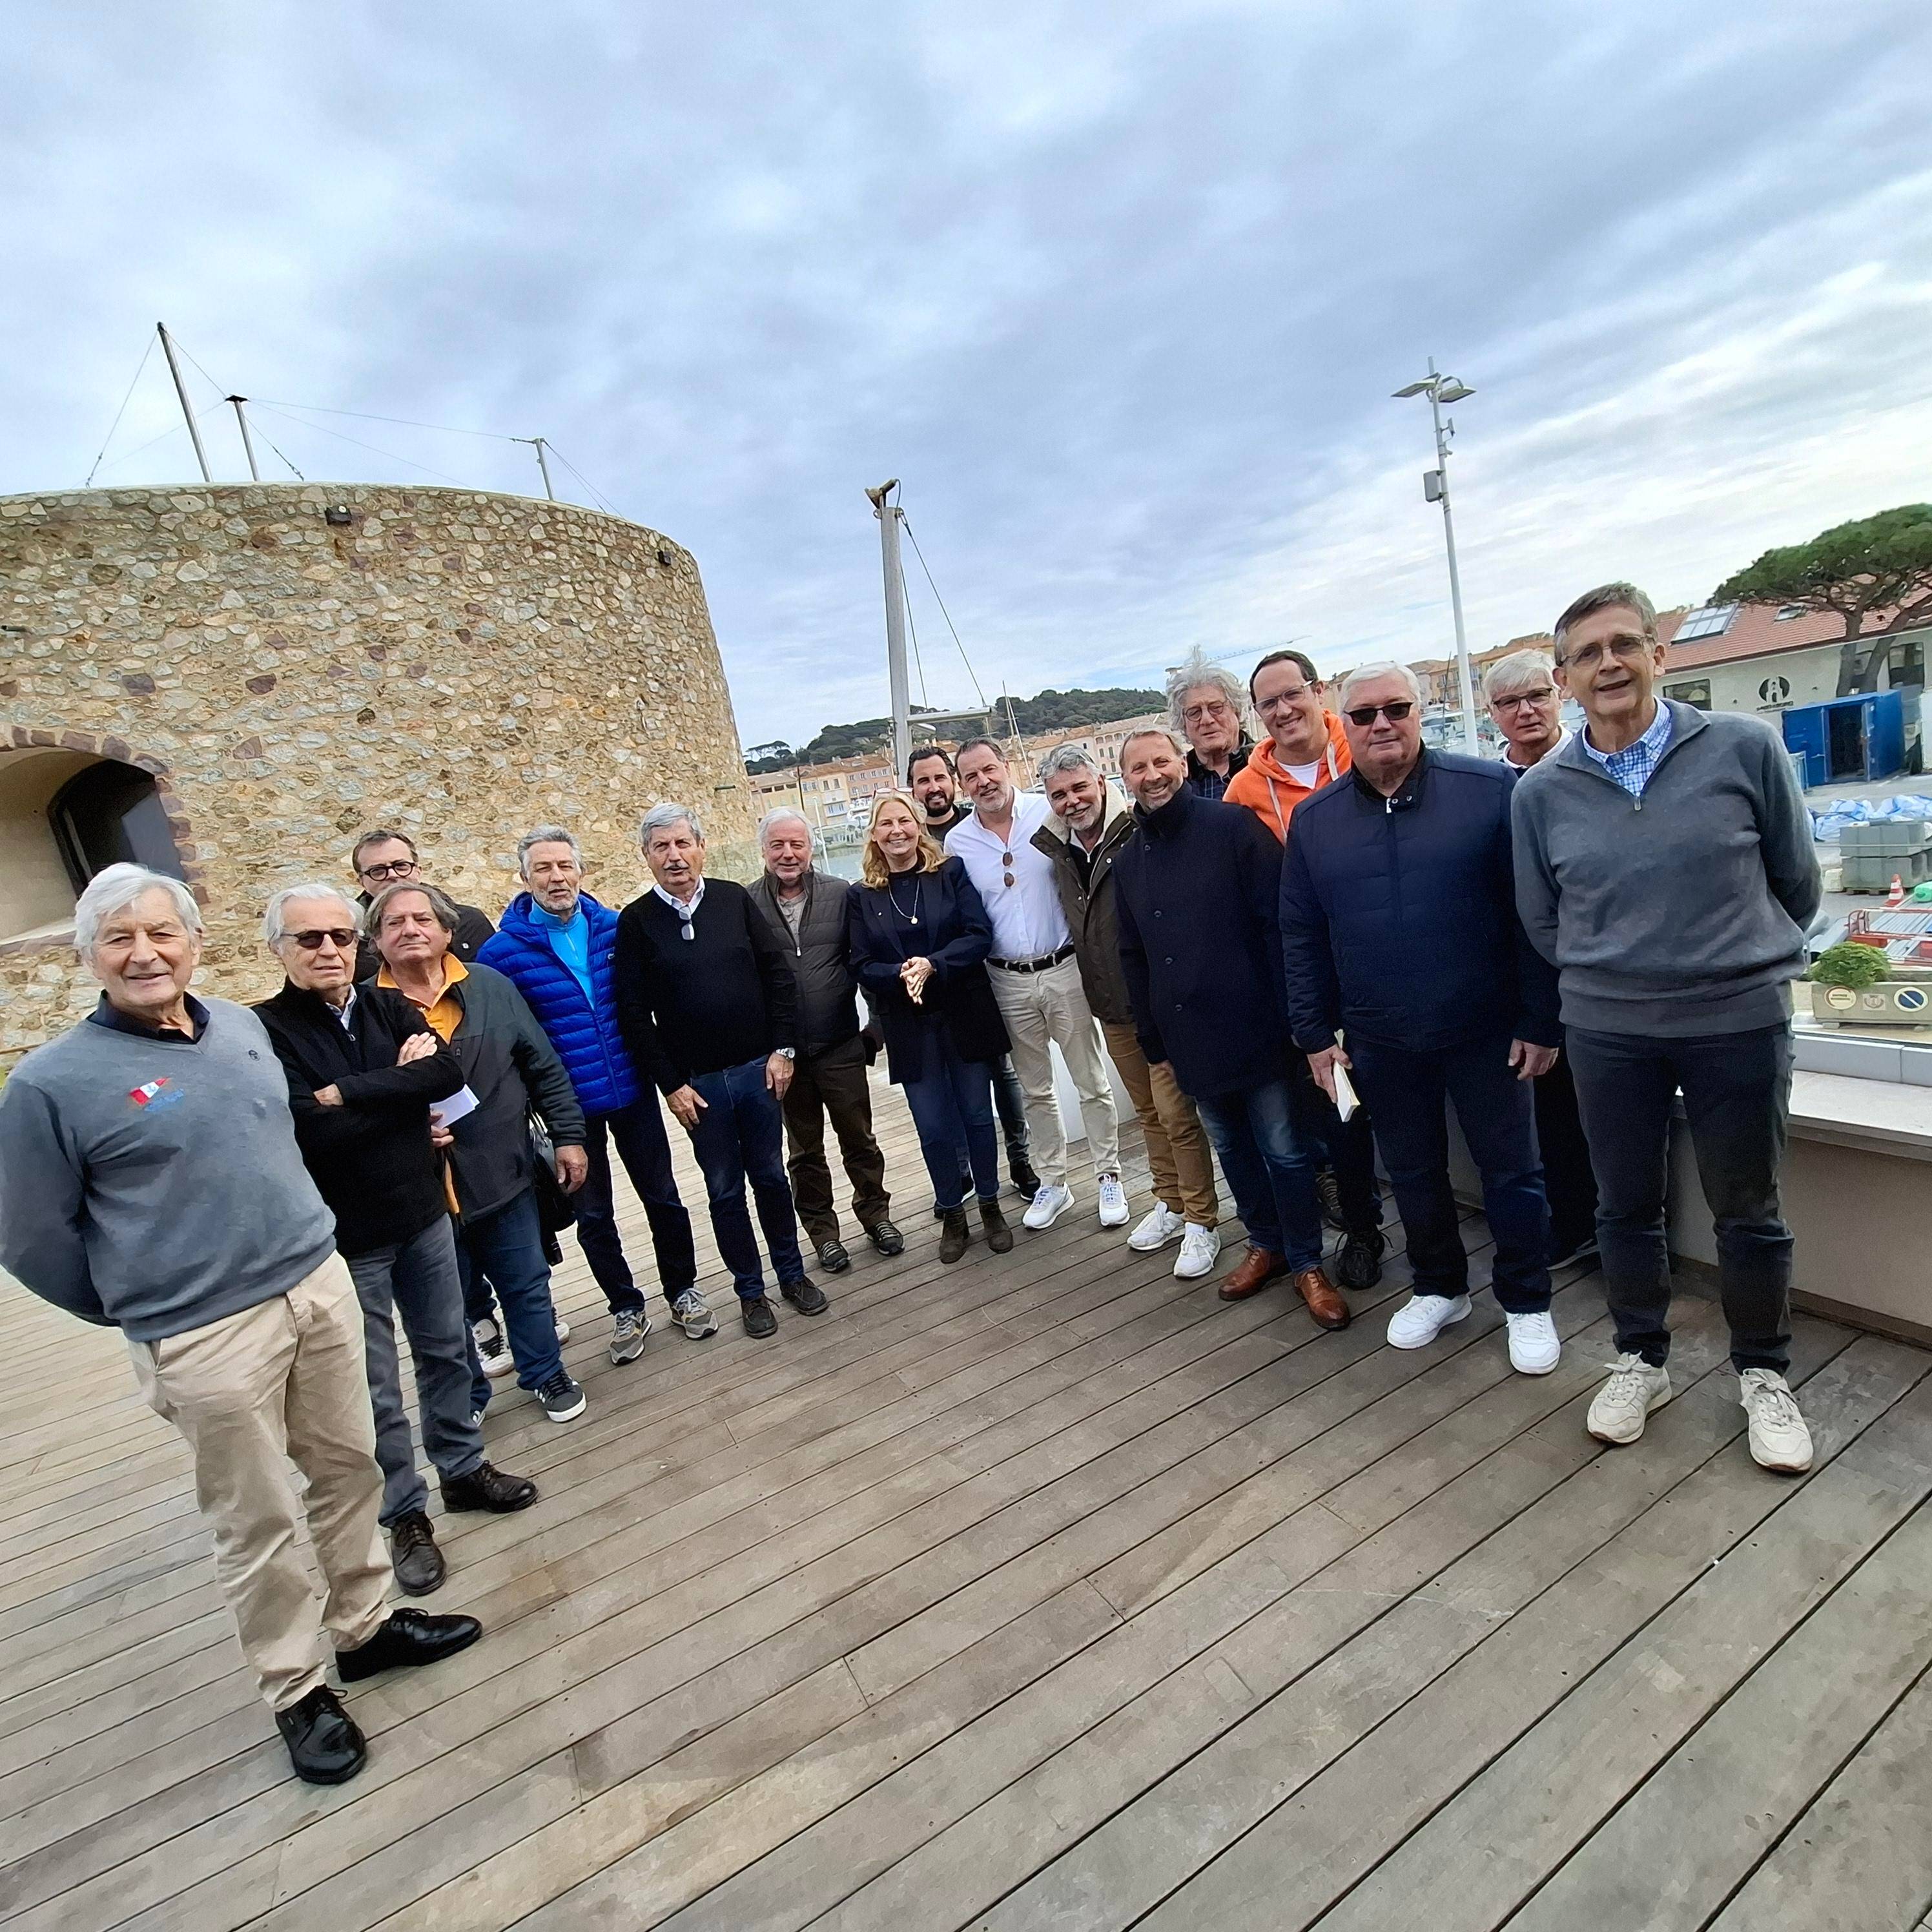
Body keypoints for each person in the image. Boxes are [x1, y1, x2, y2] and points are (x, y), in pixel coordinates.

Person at [0, 865, 480, 1786]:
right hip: (204, 1334)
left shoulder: (243, 1032)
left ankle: (368, 1627)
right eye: (120, 938)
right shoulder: (53, 1085)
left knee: (347, 1469)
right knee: (254, 1518)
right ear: (88, 954)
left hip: (316, 1283)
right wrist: (142, 1303)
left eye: (162, 933)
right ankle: (298, 1689)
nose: (144, 953)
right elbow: (30, 1240)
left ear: (193, 943)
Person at [1514, 582, 1824, 1472]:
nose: (1608, 664)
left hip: (1738, 1021)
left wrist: (1733, 963)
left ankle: (1764, 1373)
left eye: (1625, 644)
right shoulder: (1541, 792)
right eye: (1588, 654)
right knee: (1624, 1206)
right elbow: (1543, 921)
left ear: (1660, 654)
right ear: (1567, 679)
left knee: (1750, 1210)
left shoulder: (1745, 748)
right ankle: (1640, 1358)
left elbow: (1796, 882)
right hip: (1610, 1030)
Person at [1280, 662, 1562, 1376]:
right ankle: (1440, 1287)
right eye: (1364, 714)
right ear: (1341, 725)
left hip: (1487, 1029)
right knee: (1410, 1172)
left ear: (1419, 711)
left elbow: (1534, 916)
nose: (1381, 724)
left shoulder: (1491, 792)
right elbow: (1302, 934)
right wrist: (1314, 1035)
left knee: (1513, 1173)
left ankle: (1527, 1302)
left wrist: (1540, 1018)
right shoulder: (1315, 822)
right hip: (1380, 1035)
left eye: (1395, 709)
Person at [256, 883, 539, 1596]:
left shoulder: (384, 1004)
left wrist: (346, 1091)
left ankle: (463, 1467)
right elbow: (299, 1122)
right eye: (309, 939)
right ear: (279, 949)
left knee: (447, 1347)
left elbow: (443, 1072)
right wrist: (396, 1089)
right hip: (347, 1235)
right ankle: (405, 1512)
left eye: (341, 937)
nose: (329, 949)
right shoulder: (267, 1032)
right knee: (375, 1383)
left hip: (422, 1214)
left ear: (361, 943)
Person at [1111, 728, 1348, 1329]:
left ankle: (1307, 1262)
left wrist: (1297, 1019)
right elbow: (1133, 955)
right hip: (1188, 1037)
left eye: (1161, 761)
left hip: (1258, 1028)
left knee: (1286, 1152)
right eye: (1138, 768)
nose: (1152, 775)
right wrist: (1151, 1038)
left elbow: (1279, 930)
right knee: (1233, 1150)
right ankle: (1264, 1244)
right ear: (1125, 780)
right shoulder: (1129, 861)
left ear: (1181, 767)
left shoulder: (1234, 829)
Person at [478, 825, 701, 1364]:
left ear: (580, 870)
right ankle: (625, 1306)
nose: (556, 878)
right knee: (594, 1216)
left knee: (664, 1198)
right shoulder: (501, 953)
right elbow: (499, 1037)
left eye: (564, 866)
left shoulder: (615, 928)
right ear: (525, 879)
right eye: (543, 870)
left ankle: (682, 1291)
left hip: (631, 1090)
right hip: (567, 1111)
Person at [370, 881, 591, 1423]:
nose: (410, 931)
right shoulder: (365, 1009)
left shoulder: (490, 987)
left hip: (501, 1168)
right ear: (375, 940)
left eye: (422, 920)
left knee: (527, 1282)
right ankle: (466, 1396)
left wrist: (567, 1136)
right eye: (394, 923)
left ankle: (545, 1372)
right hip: (415, 1187)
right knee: (441, 1307)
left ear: (447, 931)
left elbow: (542, 1066)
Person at [614, 802, 829, 1338]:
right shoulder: (637, 922)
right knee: (725, 1191)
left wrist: (784, 1050)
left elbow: (778, 976)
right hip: (699, 1087)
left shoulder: (734, 900)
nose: (675, 856)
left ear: (701, 848)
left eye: (683, 843)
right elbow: (634, 1015)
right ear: (646, 856)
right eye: (661, 847)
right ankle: (750, 1292)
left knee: (772, 1179)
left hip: (760, 1071)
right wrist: (671, 1085)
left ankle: (792, 1274)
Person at [1223, 648, 1386, 1290]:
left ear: (1318, 691)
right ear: (1257, 715)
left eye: (1293, 693)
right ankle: (1364, 1230)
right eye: (1269, 703)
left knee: (1410, 1103)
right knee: (1340, 1113)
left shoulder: (1367, 747)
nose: (1284, 709)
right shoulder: (1244, 791)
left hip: (1392, 963)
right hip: (1319, 976)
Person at [1033, 744, 1222, 1279]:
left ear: (1101, 782)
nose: (1072, 802)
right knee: (1146, 1113)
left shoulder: (1135, 833)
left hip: (1158, 1002)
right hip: (1111, 1005)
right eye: (1059, 795)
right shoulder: (1060, 851)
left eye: (1079, 788)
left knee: (1177, 1115)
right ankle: (1171, 1202)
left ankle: (1203, 1222)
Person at [945, 737, 1126, 1232]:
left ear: (1005, 767)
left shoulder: (1047, 812)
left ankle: (1108, 1173)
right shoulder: (958, 842)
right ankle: (1054, 1182)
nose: (983, 781)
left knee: (1090, 1081)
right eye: (971, 776)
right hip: (1005, 977)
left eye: (989, 769)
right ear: (963, 785)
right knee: (1035, 1090)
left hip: (1064, 965)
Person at [849, 793, 1015, 1263]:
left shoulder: (951, 873)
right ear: (875, 834)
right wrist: (903, 973)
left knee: (979, 1117)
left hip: (964, 1015)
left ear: (918, 826)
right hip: (909, 1026)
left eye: (904, 820)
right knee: (934, 1128)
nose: (896, 830)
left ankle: (990, 1205)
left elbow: (978, 935)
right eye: (886, 823)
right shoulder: (862, 896)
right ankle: (954, 1213)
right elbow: (860, 962)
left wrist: (933, 964)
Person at [748, 808, 903, 1272]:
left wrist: (875, 1028)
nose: (788, 853)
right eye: (778, 845)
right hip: (784, 1056)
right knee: (804, 1151)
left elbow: (867, 959)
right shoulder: (746, 902)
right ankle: (823, 1233)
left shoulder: (842, 895)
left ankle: (877, 1216)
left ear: (811, 849)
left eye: (796, 844)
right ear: (764, 852)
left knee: (859, 1138)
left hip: (840, 1043)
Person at [1483, 650, 1597, 1265]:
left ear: (1560, 695)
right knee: (1549, 1114)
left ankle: (1622, 1240)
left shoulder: (1589, 770)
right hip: (1526, 984)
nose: (1525, 711)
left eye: (1536, 696)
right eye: (1508, 702)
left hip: (1595, 973)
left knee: (1609, 1120)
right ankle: (1574, 1224)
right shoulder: (1489, 789)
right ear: (1494, 714)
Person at [907, 743, 1041, 1201]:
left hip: (987, 974)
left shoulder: (972, 830)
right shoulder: (908, 839)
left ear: (954, 781)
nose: (933, 788)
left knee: (1002, 1074)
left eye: (940, 777)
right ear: (914, 789)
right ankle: (964, 1171)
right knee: (951, 1082)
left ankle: (1021, 1161)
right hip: (935, 984)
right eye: (923, 781)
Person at [347, 827, 495, 981]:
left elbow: (493, 986)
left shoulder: (470, 922)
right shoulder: (348, 935)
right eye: (377, 870)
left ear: (418, 870)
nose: (392, 875)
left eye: (401, 866)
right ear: (361, 881)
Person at [1166, 646, 1255, 801]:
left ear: (1237, 710)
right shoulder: (1176, 784)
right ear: (1183, 724)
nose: (1207, 720)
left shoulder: (1268, 763)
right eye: (1194, 713)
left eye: (1216, 708)